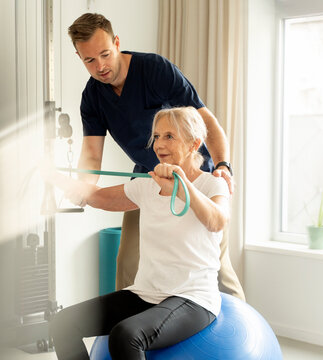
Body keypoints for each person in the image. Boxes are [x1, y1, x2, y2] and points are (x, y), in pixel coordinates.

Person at [67, 13, 244, 300]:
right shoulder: (92, 97)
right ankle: (126, 332)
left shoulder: (154, 70)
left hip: (193, 175)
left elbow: (206, 122)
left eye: (105, 54)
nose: (100, 66)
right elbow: (90, 153)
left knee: (216, 267)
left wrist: (223, 164)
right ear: (79, 56)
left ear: (117, 43)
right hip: (147, 176)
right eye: (89, 60)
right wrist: (82, 185)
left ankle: (243, 335)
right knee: (127, 261)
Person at [45, 107, 230, 359]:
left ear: (194, 143)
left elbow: (217, 221)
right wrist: (52, 176)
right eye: (156, 136)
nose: (159, 144)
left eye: (169, 136)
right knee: (64, 322)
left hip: (193, 298)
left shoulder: (212, 184)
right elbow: (98, 196)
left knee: (127, 335)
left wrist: (181, 185)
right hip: (145, 293)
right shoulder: (146, 185)